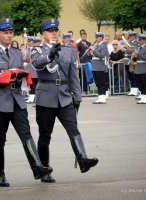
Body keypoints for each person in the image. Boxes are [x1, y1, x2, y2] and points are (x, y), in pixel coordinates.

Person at [0, 18, 53, 187]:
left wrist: (20, 75)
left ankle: (37, 167)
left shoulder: (16, 52)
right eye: (5, 33)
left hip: (17, 100)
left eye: (10, 32)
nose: (9, 35)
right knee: (0, 139)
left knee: (26, 134)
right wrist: (6, 78)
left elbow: (21, 70)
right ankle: (0, 174)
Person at [31, 19, 98, 183]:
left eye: (56, 30)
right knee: (45, 135)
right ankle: (44, 169)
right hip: (46, 97)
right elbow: (37, 64)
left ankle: (83, 160)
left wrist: (78, 95)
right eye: (50, 31)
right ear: (43, 34)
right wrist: (51, 53)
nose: (54, 33)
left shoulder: (67, 49)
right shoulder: (36, 50)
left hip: (65, 96)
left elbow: (72, 75)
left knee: (73, 129)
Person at [91, 32, 110, 104]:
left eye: (97, 37)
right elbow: (95, 55)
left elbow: (102, 55)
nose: (96, 39)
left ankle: (102, 97)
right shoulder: (98, 45)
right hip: (95, 67)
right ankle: (100, 97)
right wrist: (91, 52)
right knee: (98, 83)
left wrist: (94, 50)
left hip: (100, 67)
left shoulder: (103, 45)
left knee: (101, 83)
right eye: (96, 37)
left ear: (101, 37)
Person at [132, 34, 146, 104]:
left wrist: (138, 53)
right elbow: (137, 58)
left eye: (139, 40)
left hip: (144, 68)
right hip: (138, 68)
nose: (138, 41)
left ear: (143, 40)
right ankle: (142, 97)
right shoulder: (139, 48)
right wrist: (134, 56)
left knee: (144, 84)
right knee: (139, 84)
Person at [124, 32, 140, 96]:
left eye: (131, 36)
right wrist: (124, 49)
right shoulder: (128, 42)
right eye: (130, 36)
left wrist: (127, 49)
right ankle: (132, 89)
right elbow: (127, 50)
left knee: (133, 76)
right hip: (127, 60)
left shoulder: (136, 43)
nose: (130, 37)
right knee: (129, 76)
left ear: (134, 36)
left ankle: (135, 90)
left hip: (132, 60)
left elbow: (133, 50)